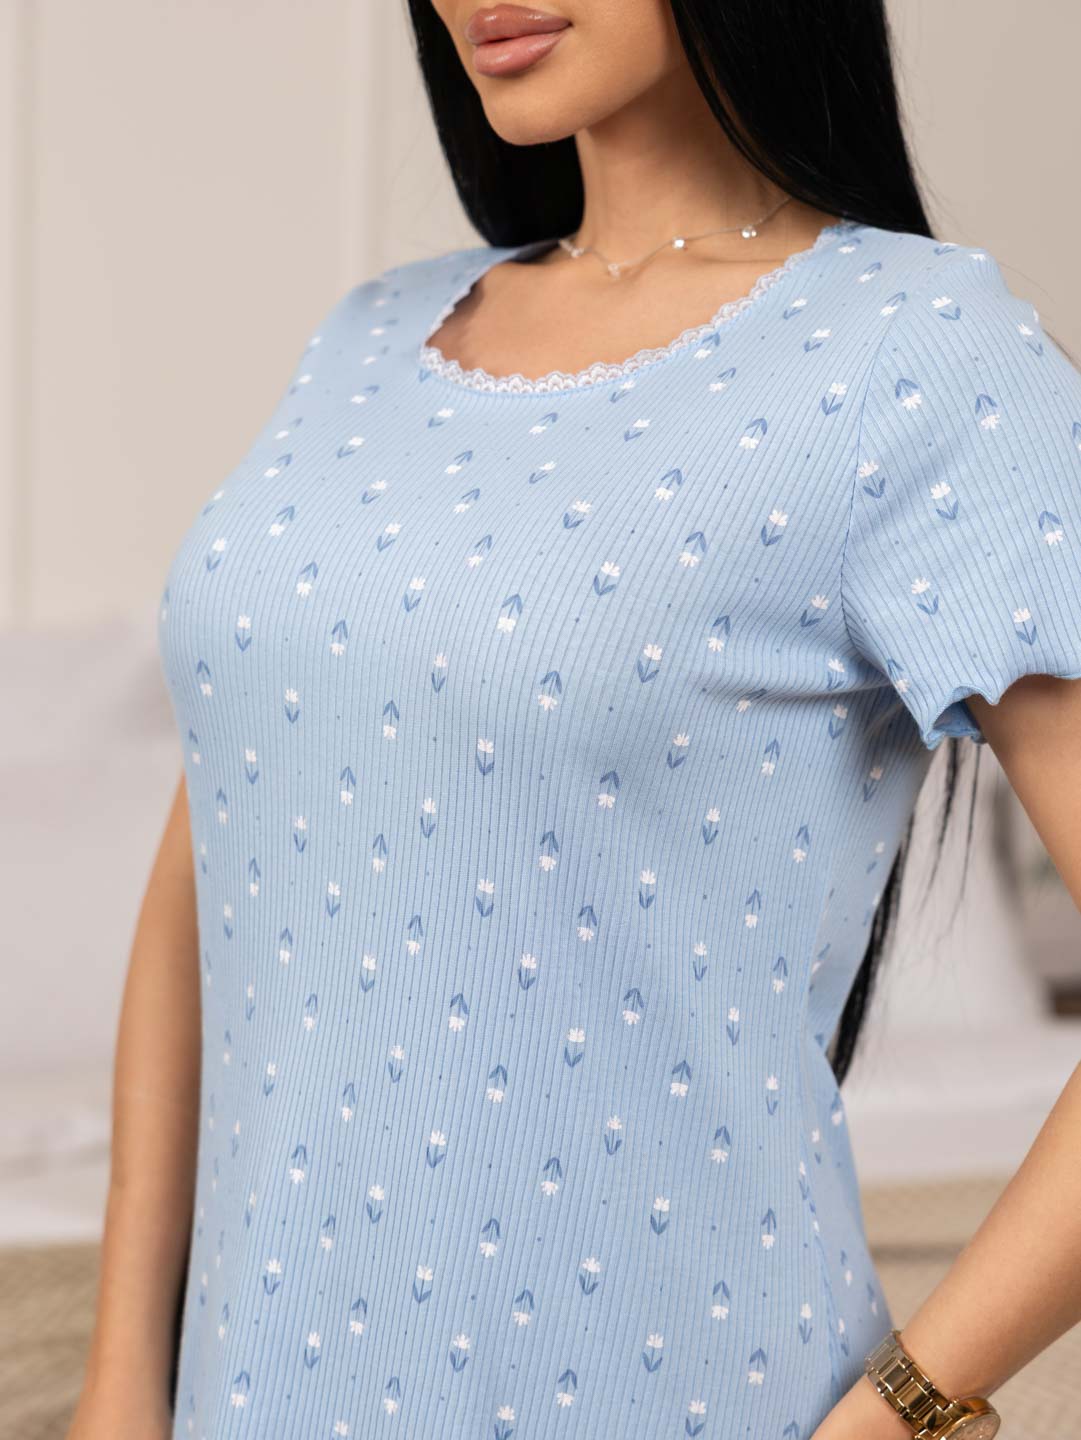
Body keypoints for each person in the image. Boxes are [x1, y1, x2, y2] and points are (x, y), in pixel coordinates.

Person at [68, 3, 1081, 1438]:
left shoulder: (914, 348)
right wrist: (120, 1384)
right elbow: (218, 863)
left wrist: (898, 1414)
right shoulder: (368, 338)